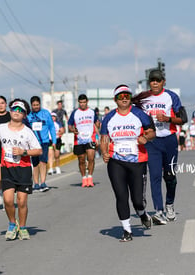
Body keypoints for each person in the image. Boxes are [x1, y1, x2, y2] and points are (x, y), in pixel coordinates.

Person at [100, 85, 155, 242]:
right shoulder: (109, 117)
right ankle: (127, 230)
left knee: (137, 200)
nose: (124, 98)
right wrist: (104, 152)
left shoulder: (139, 114)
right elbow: (104, 138)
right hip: (116, 161)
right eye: (121, 96)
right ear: (115, 100)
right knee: (121, 196)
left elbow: (151, 132)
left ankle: (142, 213)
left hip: (137, 161)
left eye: (127, 95)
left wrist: (146, 138)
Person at [133, 69, 185, 225]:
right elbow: (130, 113)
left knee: (169, 176)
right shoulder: (143, 98)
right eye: (152, 80)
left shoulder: (171, 96)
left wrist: (168, 118)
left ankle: (169, 204)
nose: (155, 82)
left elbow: (183, 118)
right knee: (155, 176)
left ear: (163, 81)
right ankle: (159, 211)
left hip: (169, 140)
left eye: (158, 80)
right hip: (152, 143)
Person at [0, 99, 42, 240]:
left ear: (24, 115)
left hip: (23, 169)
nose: (16, 112)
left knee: (21, 202)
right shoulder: (1, 128)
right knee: (8, 201)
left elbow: (38, 151)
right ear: (10, 111)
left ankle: (23, 227)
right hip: (7, 168)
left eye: (20, 111)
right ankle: (12, 224)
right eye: (14, 109)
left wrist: (23, 152)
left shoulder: (28, 132)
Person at [68, 94, 100, 187]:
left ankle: (90, 177)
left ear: (87, 102)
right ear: (79, 102)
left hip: (90, 138)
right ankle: (84, 178)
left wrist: (97, 132)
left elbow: (96, 122)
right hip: (79, 140)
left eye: (84, 102)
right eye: (80, 102)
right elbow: (70, 124)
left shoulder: (92, 112)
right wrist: (72, 130)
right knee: (81, 160)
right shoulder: (75, 113)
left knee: (91, 158)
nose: (82, 104)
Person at [27, 96, 57, 192]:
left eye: (37, 105)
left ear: (40, 104)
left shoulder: (46, 113)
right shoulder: (28, 116)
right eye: (34, 105)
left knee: (43, 162)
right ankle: (36, 183)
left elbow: (51, 127)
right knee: (35, 163)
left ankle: (43, 182)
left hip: (44, 141)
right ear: (31, 105)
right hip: (33, 143)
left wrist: (54, 141)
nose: (36, 107)